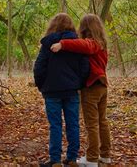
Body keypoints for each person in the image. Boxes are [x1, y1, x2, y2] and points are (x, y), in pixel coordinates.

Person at [50, 14, 111, 167]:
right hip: (102, 85)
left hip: (92, 86)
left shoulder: (93, 43)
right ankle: (105, 155)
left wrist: (62, 44)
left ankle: (91, 158)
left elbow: (85, 46)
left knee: (92, 124)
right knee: (102, 122)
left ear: (85, 28)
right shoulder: (102, 43)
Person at [34, 13, 90, 167]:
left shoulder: (47, 45)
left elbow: (39, 67)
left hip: (52, 91)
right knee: (73, 124)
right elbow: (85, 67)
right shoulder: (77, 44)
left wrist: (42, 86)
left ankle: (56, 160)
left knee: (55, 125)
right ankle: (72, 158)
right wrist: (78, 83)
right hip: (71, 90)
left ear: (53, 25)